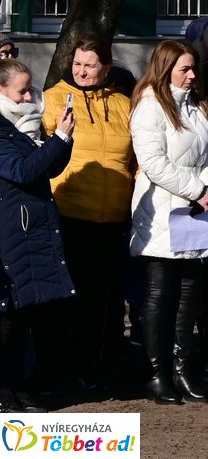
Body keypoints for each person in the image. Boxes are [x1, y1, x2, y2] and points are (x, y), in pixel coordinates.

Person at [128, 39, 208, 406]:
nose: (192, 75)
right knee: (159, 292)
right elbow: (153, 162)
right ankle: (157, 373)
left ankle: (182, 370)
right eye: (185, 69)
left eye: (194, 68)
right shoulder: (149, 106)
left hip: (195, 212)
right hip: (162, 212)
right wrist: (197, 190)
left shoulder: (197, 107)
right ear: (166, 69)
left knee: (188, 292)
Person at [44, 35, 134, 390]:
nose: (81, 71)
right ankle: (64, 369)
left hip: (114, 218)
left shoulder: (124, 104)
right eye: (77, 64)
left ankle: (99, 365)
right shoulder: (53, 98)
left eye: (90, 65)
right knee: (72, 299)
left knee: (105, 299)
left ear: (106, 68)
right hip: (70, 213)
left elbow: (136, 159)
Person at [0, 59, 74, 410]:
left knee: (24, 315)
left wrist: (64, 138)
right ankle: (4, 392)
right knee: (7, 317)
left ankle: (21, 385)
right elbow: (22, 170)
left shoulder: (24, 125)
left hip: (28, 229)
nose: (30, 97)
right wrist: (58, 139)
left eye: (30, 89)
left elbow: (49, 167)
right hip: (9, 231)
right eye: (22, 91)